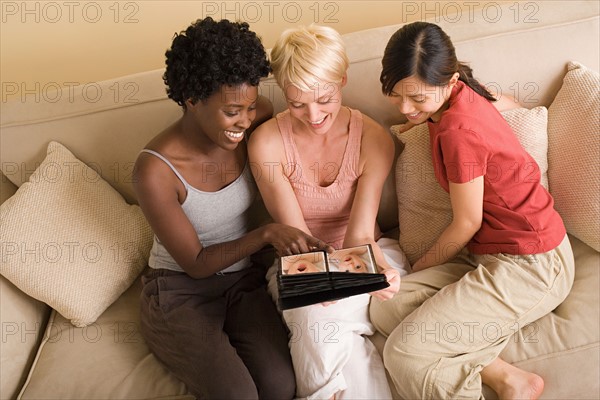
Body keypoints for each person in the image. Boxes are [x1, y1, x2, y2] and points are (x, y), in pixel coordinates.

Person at [370, 21, 575, 400]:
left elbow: (466, 222)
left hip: (534, 265)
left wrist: (416, 270)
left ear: (447, 82)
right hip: (491, 255)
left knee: (404, 355)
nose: (404, 108)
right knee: (386, 308)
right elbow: (503, 102)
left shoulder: (457, 130)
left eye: (417, 98)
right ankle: (509, 379)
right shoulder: (463, 90)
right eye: (397, 94)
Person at [133, 17, 331, 399]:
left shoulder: (256, 117)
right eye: (231, 111)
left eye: (251, 107)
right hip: (180, 289)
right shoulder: (155, 170)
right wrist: (268, 233)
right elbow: (196, 263)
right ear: (192, 101)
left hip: (241, 281)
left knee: (280, 386)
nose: (244, 121)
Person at [248, 24, 410, 400]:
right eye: (297, 103)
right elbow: (296, 240)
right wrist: (323, 282)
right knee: (319, 323)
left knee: (323, 326)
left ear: (342, 80)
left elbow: (360, 235)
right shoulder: (267, 143)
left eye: (325, 98)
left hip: (367, 252)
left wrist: (370, 274)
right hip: (299, 261)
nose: (314, 114)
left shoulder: (372, 139)